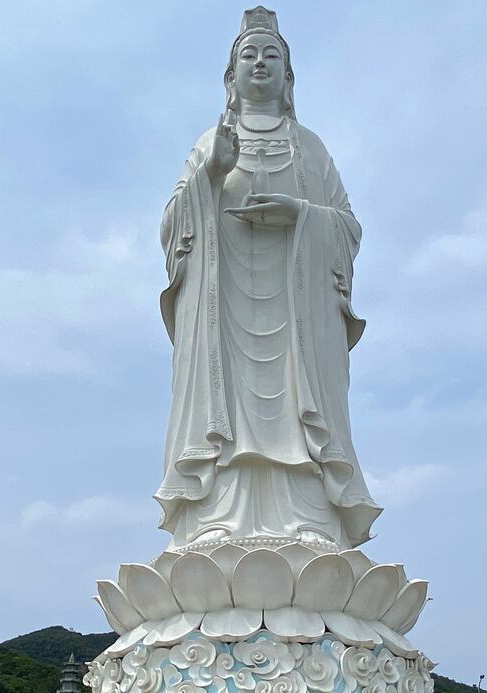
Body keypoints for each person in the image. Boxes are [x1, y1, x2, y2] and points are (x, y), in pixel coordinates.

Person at [154, 6, 381, 551]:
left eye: (271, 55)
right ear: (230, 79)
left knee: (299, 410)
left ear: (288, 76)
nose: (259, 63)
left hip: (295, 312)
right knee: (226, 408)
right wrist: (209, 175)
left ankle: (310, 518)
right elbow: (171, 229)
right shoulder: (208, 144)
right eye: (248, 56)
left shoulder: (311, 148)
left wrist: (302, 216)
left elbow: (348, 227)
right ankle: (216, 515)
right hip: (223, 309)